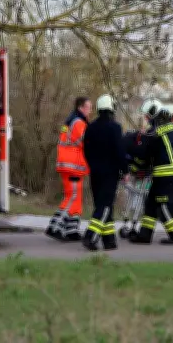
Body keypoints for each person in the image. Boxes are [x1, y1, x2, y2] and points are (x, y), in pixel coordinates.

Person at [129, 102, 173, 245]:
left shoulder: (156, 131)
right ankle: (145, 235)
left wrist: (134, 164)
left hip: (164, 173)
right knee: (151, 204)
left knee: (163, 204)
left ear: (153, 114)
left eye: (147, 116)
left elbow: (145, 154)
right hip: (167, 172)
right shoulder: (169, 127)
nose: (146, 119)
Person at [81, 94, 129, 251]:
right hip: (110, 172)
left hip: (95, 172)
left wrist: (92, 165)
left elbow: (86, 150)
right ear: (111, 109)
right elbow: (119, 151)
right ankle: (91, 236)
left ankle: (109, 240)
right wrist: (125, 170)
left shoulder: (90, 127)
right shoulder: (115, 127)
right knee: (106, 206)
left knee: (101, 205)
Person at [46, 96, 91, 242]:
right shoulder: (78, 123)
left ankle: (72, 230)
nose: (90, 111)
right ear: (80, 107)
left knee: (76, 199)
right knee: (72, 198)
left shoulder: (71, 121)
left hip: (69, 165)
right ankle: (55, 227)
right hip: (73, 166)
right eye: (88, 107)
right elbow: (86, 143)